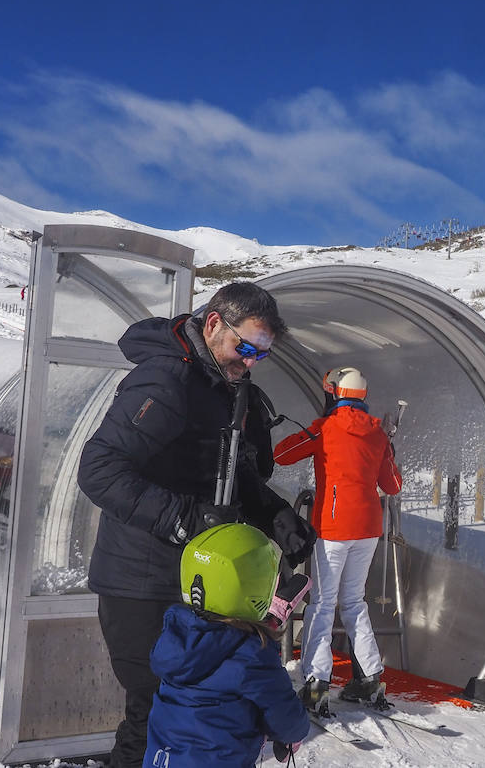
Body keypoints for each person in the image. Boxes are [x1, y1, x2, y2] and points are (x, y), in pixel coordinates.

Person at [77, 282, 318, 768]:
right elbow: (99, 469)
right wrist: (188, 519)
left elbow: (233, 470)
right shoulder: (166, 381)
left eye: (261, 355)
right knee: (154, 715)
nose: (249, 361)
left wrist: (276, 514)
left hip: (195, 579)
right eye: (244, 347)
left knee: (192, 718)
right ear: (213, 324)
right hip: (141, 582)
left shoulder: (225, 387)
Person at [274, 366, 403, 709]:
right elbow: (393, 486)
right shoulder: (378, 433)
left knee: (322, 603)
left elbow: (282, 455)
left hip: (332, 528)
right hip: (368, 529)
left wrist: (313, 431)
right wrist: (388, 447)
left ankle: (316, 682)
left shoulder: (325, 429)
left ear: (333, 393)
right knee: (354, 602)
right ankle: (370, 678)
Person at [145, 523, 310, 768]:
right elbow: (289, 721)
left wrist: (263, 622)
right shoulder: (252, 654)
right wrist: (291, 737)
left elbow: (219, 640)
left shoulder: (176, 638)